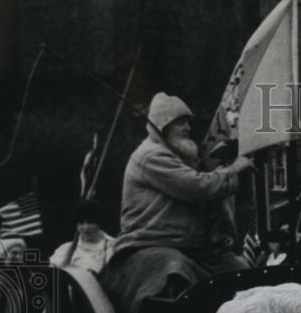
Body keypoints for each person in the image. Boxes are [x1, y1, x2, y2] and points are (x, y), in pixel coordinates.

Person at [112, 92, 253, 274]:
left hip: (194, 247)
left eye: (188, 122)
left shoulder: (180, 157)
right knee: (177, 269)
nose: (188, 128)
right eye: (181, 122)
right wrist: (235, 168)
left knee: (242, 273)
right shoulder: (151, 155)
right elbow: (199, 187)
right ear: (163, 125)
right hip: (151, 243)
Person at [49, 199, 116, 272]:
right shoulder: (65, 250)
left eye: (90, 222)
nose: (86, 228)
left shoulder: (113, 247)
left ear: (99, 223)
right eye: (81, 223)